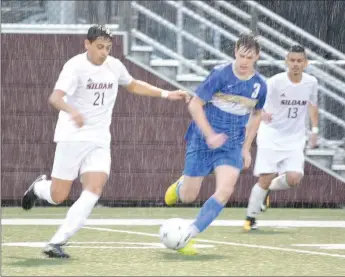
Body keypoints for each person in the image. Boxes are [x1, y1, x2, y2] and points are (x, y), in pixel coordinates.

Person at [21, 25, 188, 258]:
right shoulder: (74, 67)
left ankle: (57, 242)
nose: (104, 52)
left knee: (94, 188)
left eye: (108, 47)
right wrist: (73, 111)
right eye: (99, 47)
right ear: (87, 44)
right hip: (73, 135)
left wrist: (166, 94)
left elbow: (133, 84)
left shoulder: (114, 66)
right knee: (58, 196)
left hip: (99, 138)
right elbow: (55, 98)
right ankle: (39, 187)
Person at [164, 34, 267, 255]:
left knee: (225, 191)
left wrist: (246, 148)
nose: (244, 61)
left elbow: (257, 115)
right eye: (241, 55)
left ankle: (188, 234)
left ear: (257, 57)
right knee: (188, 196)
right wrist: (210, 134)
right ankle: (181, 186)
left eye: (249, 57)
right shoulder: (220, 74)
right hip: (202, 140)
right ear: (235, 52)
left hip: (231, 144)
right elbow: (195, 106)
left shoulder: (260, 86)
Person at [243, 45, 319, 231]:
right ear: (286, 62)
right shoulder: (275, 82)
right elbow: (256, 104)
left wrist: (315, 130)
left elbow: (312, 105)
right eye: (292, 60)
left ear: (305, 63)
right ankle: (250, 219)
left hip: (295, 137)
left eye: (299, 61)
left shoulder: (311, 82)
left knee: (294, 178)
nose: (295, 64)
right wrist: (262, 114)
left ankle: (267, 191)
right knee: (265, 177)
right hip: (271, 134)